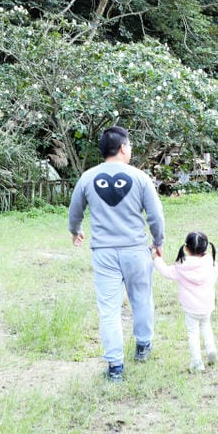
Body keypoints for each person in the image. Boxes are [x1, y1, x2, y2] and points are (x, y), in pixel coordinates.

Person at [68, 126, 165, 382]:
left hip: (104, 253)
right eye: (130, 145)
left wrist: (75, 230)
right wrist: (158, 241)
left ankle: (115, 367)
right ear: (123, 148)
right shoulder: (141, 178)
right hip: (136, 250)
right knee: (142, 299)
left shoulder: (88, 177)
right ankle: (143, 345)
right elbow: (155, 215)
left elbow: (75, 209)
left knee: (108, 309)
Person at [153, 231, 218, 372]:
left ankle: (197, 362)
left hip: (191, 308)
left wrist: (156, 258)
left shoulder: (181, 267)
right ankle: (211, 349)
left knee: (193, 333)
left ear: (186, 248)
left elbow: (165, 271)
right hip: (207, 305)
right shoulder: (210, 264)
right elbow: (216, 271)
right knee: (206, 326)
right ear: (206, 248)